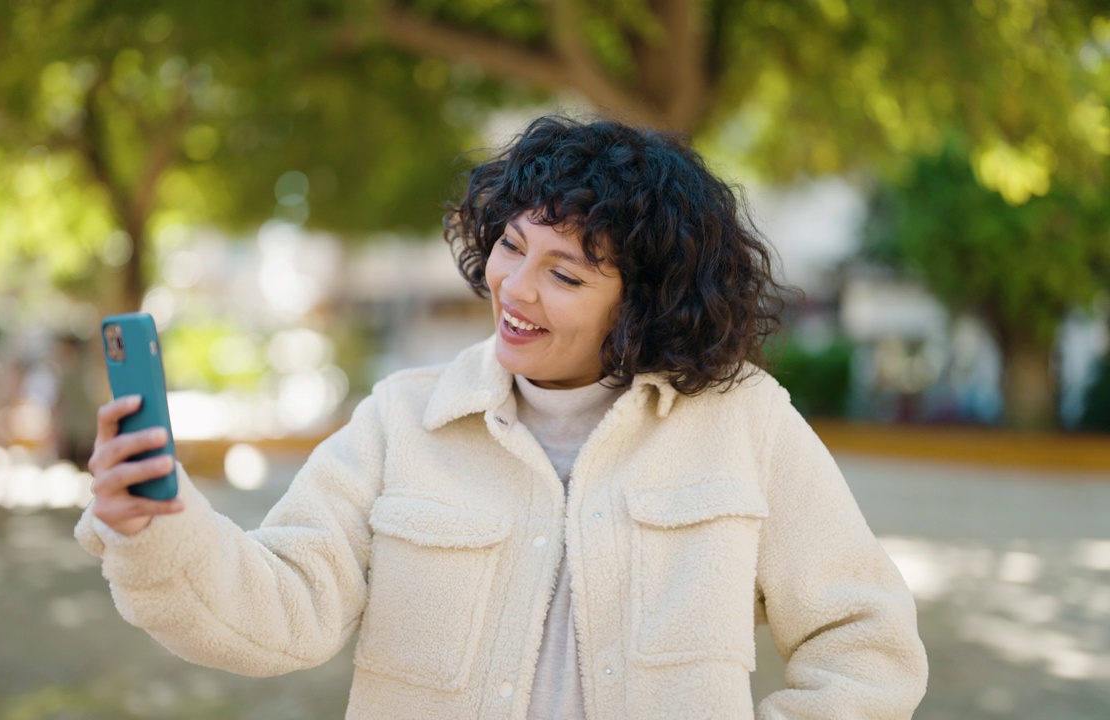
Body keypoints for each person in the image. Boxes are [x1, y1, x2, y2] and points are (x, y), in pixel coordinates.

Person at [77, 116, 928, 718]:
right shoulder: (401, 420)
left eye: (566, 275)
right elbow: (281, 610)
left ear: (645, 307)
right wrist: (157, 526)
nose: (515, 290)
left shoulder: (744, 421)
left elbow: (864, 637)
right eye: (513, 247)